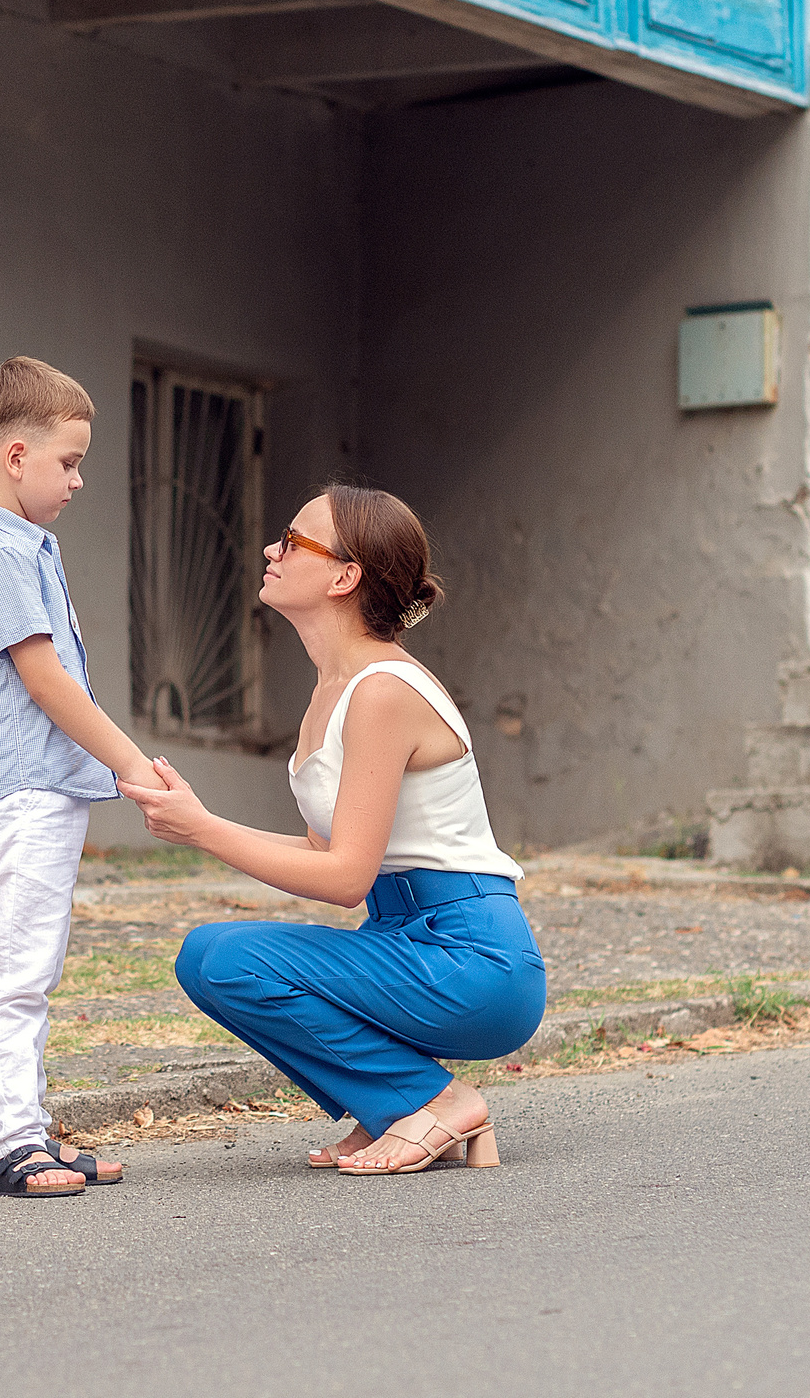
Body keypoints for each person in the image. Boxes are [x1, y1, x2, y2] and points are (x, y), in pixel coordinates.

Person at [119, 485, 546, 1176]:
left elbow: (344, 879)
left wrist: (202, 832)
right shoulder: (335, 689)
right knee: (210, 960)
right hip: (405, 940)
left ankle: (432, 1101)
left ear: (345, 577)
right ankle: (397, 1105)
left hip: (472, 959)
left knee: (224, 958)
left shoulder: (382, 691)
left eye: (292, 541)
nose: (270, 549)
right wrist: (201, 818)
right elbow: (328, 851)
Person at [0, 357, 160, 1199]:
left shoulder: (26, 549)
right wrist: (132, 761)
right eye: (69, 462)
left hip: (42, 793)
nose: (79, 478)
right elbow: (46, 682)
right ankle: (10, 1148)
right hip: (19, 796)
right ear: (17, 457)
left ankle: (30, 1131)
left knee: (35, 968)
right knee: (17, 974)